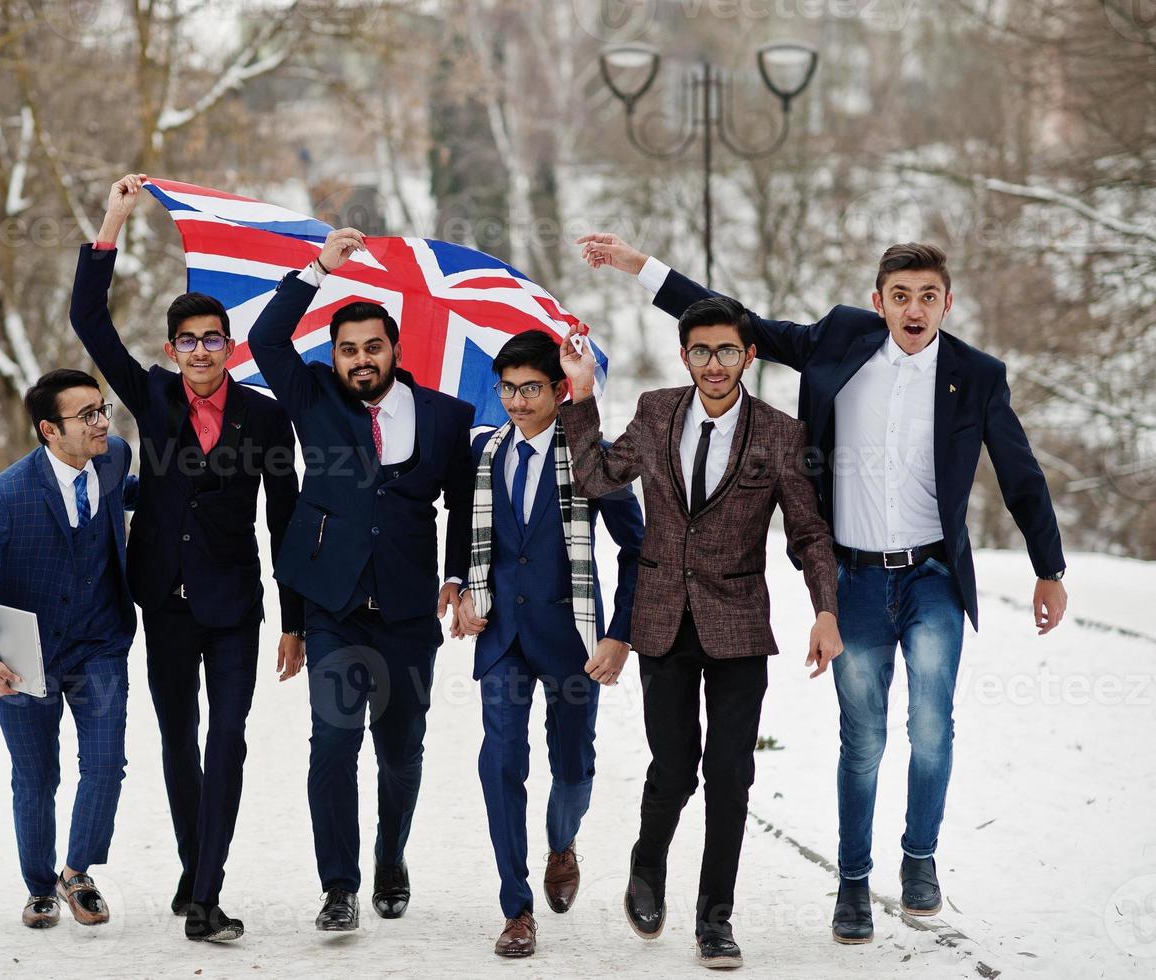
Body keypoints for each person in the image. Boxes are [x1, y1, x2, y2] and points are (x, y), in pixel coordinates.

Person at [577, 233, 1068, 943]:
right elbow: (738, 325)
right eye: (899, 296)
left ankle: (919, 858)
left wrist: (1047, 567)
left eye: (927, 296)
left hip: (931, 575)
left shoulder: (975, 375)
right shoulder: (840, 340)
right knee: (860, 740)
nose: (913, 308)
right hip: (856, 577)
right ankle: (852, 883)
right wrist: (639, 268)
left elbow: (1019, 472)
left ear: (946, 303)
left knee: (930, 727)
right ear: (878, 302)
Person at [556, 299, 843, 969]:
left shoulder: (778, 433)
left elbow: (806, 532)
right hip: (661, 620)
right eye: (700, 351)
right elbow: (596, 476)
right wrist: (581, 398)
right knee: (674, 769)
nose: (713, 364)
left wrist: (824, 610)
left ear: (749, 356)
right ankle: (645, 864)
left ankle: (714, 920)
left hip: (739, 624)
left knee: (729, 776)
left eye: (726, 351)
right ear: (684, 357)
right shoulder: (656, 412)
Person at [66, 173, 305, 942]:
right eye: (188, 342)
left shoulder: (266, 418)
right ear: (173, 350)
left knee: (224, 739)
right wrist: (114, 221)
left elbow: (285, 519)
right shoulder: (156, 397)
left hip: (235, 607)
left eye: (214, 340)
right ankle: (193, 868)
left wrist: (293, 620)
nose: (201, 352)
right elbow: (87, 319)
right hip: (162, 601)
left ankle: (205, 895)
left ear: (230, 347)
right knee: (176, 743)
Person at [246, 226, 475, 933]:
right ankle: (338, 887)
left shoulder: (445, 417)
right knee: (334, 742)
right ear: (333, 357)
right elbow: (264, 341)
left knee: (401, 749)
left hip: (408, 609)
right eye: (347, 349)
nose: (360, 359)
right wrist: (318, 269)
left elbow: (465, 504)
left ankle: (391, 857)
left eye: (372, 346)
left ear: (394, 350)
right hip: (334, 604)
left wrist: (459, 573)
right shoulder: (311, 396)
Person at [450, 329, 644, 957]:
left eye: (529, 388)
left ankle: (562, 843)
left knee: (573, 767)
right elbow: (470, 531)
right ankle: (516, 906)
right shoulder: (486, 455)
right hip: (502, 637)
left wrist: (619, 633)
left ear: (560, 391)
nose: (515, 401)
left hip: (572, 639)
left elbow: (640, 549)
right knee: (500, 762)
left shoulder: (590, 456)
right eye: (506, 389)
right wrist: (460, 586)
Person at [0, 369, 138, 930]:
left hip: (100, 643)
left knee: (106, 766)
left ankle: (76, 872)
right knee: (36, 777)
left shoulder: (115, 456)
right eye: (88, 416)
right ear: (50, 430)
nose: (103, 423)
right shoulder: (7, 497)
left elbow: (127, 493)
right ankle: (38, 886)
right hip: (25, 658)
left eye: (104, 409)